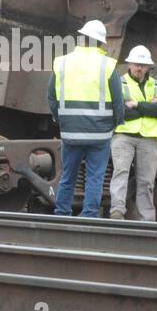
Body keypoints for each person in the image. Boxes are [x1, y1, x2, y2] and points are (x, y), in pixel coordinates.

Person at [48, 20, 124, 218]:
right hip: (99, 134)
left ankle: (61, 212)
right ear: (101, 43)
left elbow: (51, 97)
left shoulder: (62, 62)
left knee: (67, 176)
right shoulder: (107, 66)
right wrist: (114, 125)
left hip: (70, 131)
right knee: (95, 178)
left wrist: (60, 120)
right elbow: (118, 102)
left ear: (81, 38)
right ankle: (89, 214)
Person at [109, 45, 157, 221]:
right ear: (129, 64)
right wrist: (148, 106)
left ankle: (146, 218)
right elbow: (120, 112)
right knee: (120, 173)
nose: (139, 68)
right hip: (124, 135)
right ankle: (117, 211)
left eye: (143, 65)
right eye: (136, 64)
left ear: (148, 67)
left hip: (148, 138)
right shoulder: (119, 82)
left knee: (147, 181)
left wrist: (136, 105)